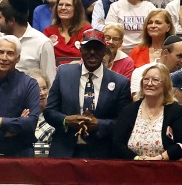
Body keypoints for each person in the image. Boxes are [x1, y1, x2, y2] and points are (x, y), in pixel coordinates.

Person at [43, 28, 130, 158]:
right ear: (80, 50)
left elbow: (124, 123)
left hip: (102, 154)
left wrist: (100, 124)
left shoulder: (120, 83)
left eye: (97, 48)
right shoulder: (63, 74)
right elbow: (49, 112)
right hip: (64, 151)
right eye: (88, 48)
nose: (92, 52)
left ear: (105, 51)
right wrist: (66, 120)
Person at [110, 62, 182, 160]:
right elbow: (117, 143)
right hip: (133, 167)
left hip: (167, 169)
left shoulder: (178, 111)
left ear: (165, 85)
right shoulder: (129, 110)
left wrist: (159, 158)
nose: (149, 84)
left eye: (155, 80)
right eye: (146, 79)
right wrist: (137, 159)